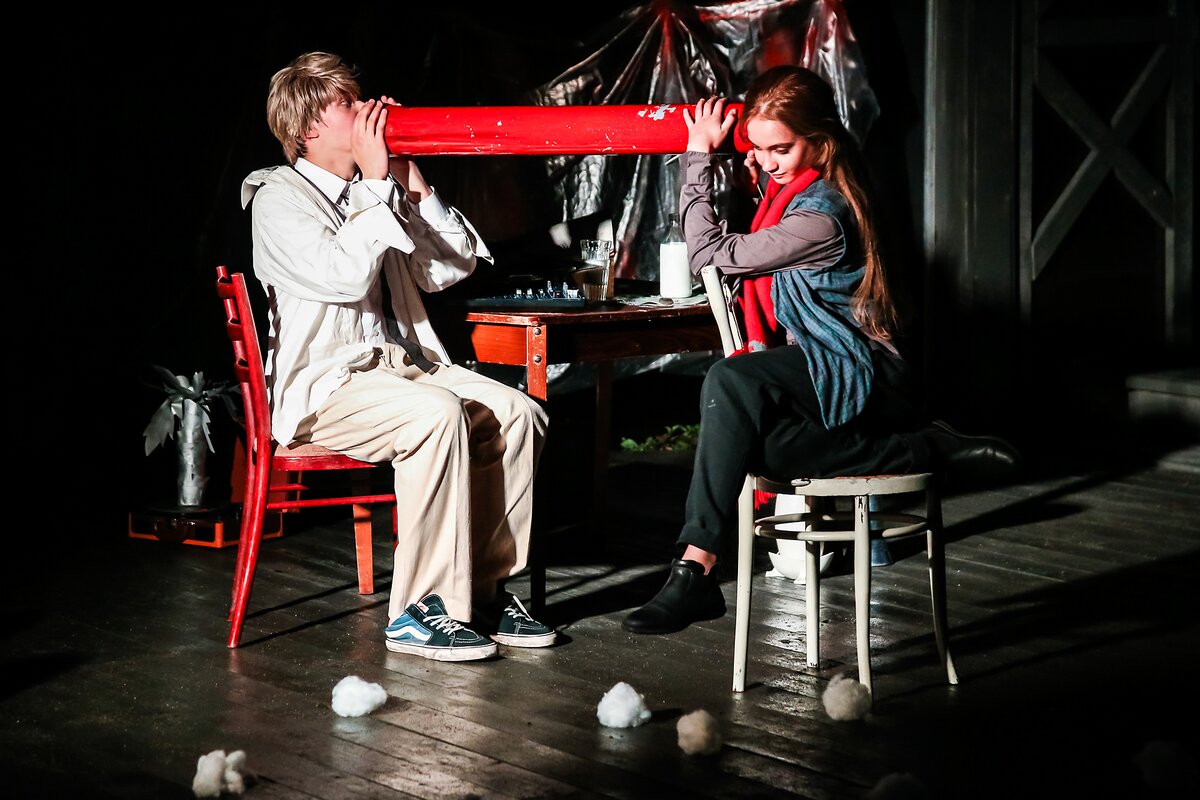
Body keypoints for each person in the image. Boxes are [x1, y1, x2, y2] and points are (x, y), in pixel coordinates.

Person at [623, 65, 1021, 635]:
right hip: (825, 368)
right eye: (757, 150)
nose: (766, 162)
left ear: (820, 139)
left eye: (780, 148)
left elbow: (708, 256)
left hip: (866, 373)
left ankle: (694, 569)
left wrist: (698, 157)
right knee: (755, 445)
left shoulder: (820, 217)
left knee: (730, 381)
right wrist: (747, 166)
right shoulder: (796, 191)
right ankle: (925, 448)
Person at [242, 51, 555, 660]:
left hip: (400, 366)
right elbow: (341, 276)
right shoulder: (277, 197)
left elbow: (448, 269)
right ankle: (420, 609)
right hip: (327, 388)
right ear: (307, 128)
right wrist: (377, 184)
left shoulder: (374, 188)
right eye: (347, 104)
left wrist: (411, 181)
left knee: (520, 414)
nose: (367, 110)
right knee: (436, 417)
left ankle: (486, 592)